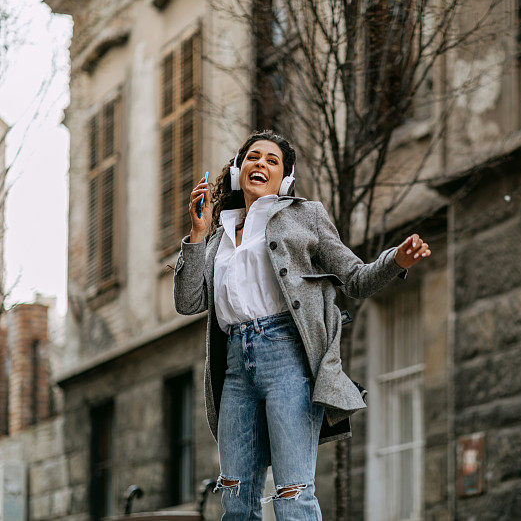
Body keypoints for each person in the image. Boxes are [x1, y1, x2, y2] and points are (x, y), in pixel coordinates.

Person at [173, 129, 431, 520]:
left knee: (293, 493)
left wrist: (397, 260)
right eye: (253, 157)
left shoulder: (305, 216)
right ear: (238, 170)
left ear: (285, 179)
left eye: (271, 160)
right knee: (236, 499)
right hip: (235, 371)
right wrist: (196, 232)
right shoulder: (217, 235)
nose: (260, 164)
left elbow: (356, 279)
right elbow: (187, 301)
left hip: (287, 360)